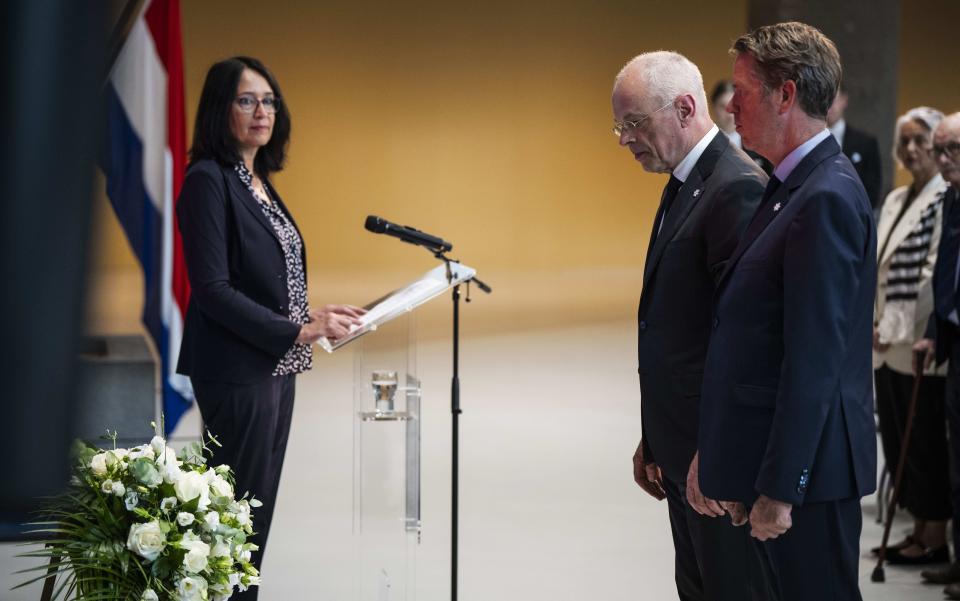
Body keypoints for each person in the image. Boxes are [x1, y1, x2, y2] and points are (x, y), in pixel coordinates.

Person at [693, 22, 877, 601]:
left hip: (810, 478)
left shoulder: (824, 197)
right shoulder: (791, 186)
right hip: (786, 464)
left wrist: (781, 487)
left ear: (786, 95)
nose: (729, 104)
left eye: (742, 91)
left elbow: (813, 361)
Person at [176, 56, 365, 600]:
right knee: (233, 524)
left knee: (252, 521)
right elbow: (212, 291)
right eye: (246, 100)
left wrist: (310, 319)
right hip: (237, 373)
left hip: (276, 367)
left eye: (270, 101)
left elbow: (264, 281)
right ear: (220, 108)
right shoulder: (208, 182)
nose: (263, 111)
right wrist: (302, 330)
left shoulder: (256, 180)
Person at [612, 51, 768, 601]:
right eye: (619, 125)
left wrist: (717, 451)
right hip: (681, 449)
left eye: (634, 122)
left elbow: (745, 341)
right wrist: (655, 435)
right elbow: (679, 327)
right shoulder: (684, 182)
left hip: (715, 462)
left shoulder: (736, 188)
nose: (624, 138)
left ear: (684, 107)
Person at [872, 107, 950, 566]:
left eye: (921, 140)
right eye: (903, 140)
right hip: (885, 341)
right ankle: (918, 529)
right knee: (899, 438)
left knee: (924, 443)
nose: (911, 149)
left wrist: (893, 329)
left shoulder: (945, 199)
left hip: (918, 340)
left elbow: (931, 275)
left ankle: (934, 535)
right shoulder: (898, 198)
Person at [914, 112, 960, 599]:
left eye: (953, 151)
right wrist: (933, 329)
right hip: (955, 340)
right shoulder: (952, 197)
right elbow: (948, 268)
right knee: (955, 457)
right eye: (940, 149)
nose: (943, 160)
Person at [827, 86, 884, 209]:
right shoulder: (807, 141)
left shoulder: (866, 143)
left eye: (833, 98)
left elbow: (872, 191)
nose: (829, 105)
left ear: (844, 100)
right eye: (824, 98)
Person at [711, 80, 773, 174]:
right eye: (722, 107)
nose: (729, 113)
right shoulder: (707, 144)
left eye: (734, 106)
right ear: (714, 108)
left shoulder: (758, 144)